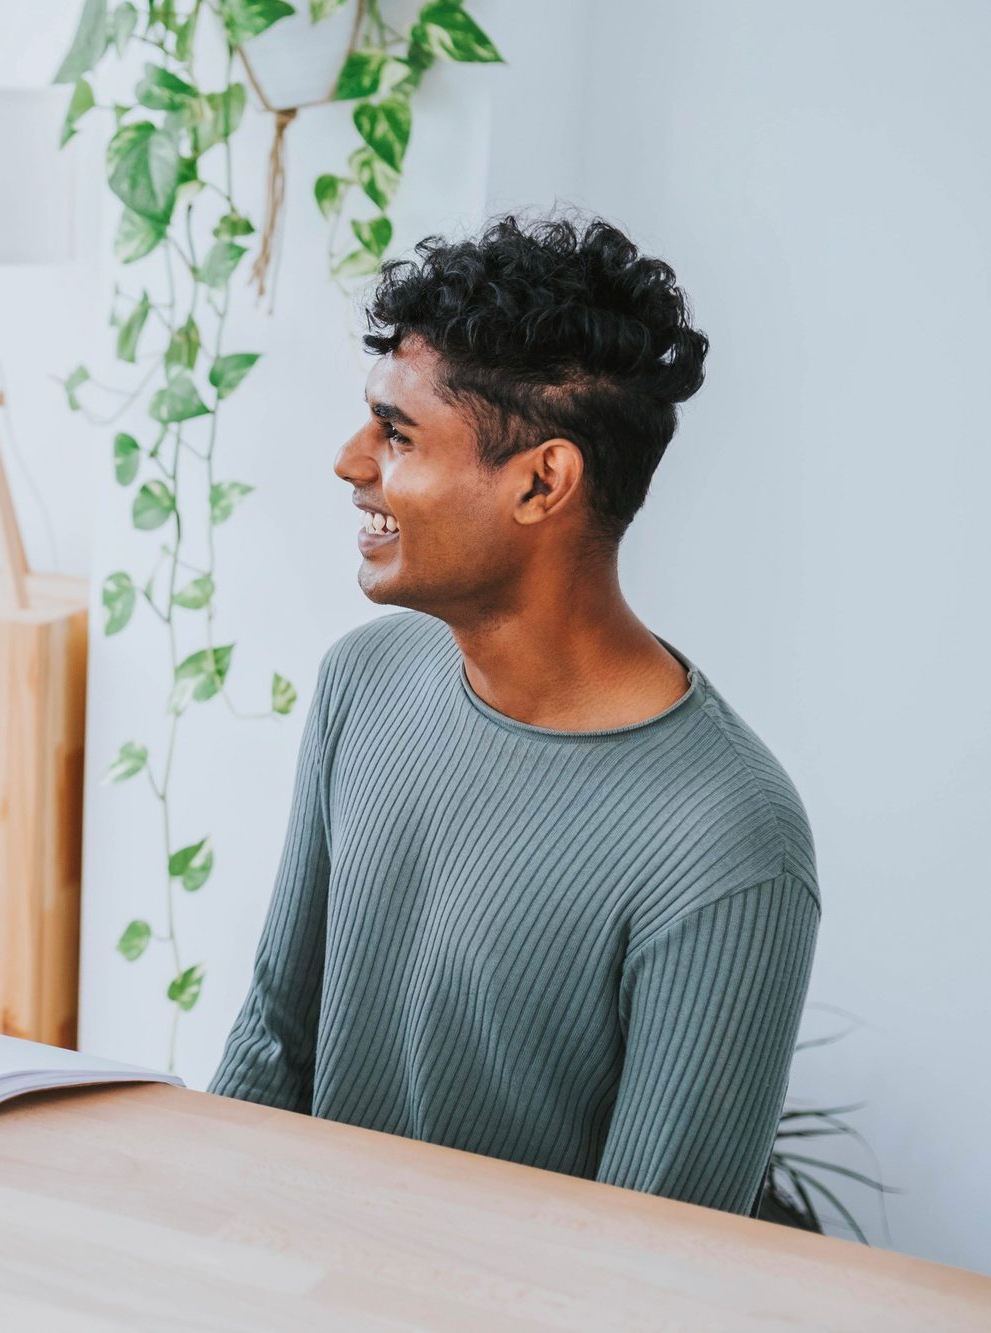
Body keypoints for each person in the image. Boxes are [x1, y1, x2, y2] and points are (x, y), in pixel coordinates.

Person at [210, 215, 818, 1214]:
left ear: (542, 482)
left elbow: (660, 1253)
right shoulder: (362, 682)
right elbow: (278, 1034)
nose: (350, 461)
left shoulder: (727, 839)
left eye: (396, 433)